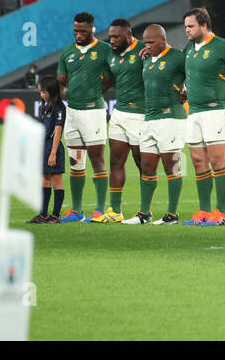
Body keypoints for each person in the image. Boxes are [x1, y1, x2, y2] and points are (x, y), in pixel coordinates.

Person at [123, 24, 188, 225]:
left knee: (171, 165)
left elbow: (195, 74)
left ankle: (172, 214)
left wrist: (187, 89)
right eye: (145, 42)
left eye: (151, 42)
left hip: (171, 118)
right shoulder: (147, 60)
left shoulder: (178, 57)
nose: (147, 45)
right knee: (147, 166)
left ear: (162, 40)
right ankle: (144, 214)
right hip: (149, 119)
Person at [55, 12, 110, 222]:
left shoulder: (104, 50)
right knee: (76, 161)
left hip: (93, 111)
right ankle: (77, 210)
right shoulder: (67, 52)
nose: (78, 34)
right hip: (73, 112)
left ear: (92, 29)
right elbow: (61, 81)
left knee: (97, 159)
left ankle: (100, 209)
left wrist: (95, 92)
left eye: (83, 31)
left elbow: (111, 77)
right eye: (76, 30)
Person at [180, 7, 225, 225]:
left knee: (217, 160)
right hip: (194, 112)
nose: (187, 31)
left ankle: (221, 213)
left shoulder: (222, 46)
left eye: (190, 26)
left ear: (203, 25)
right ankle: (204, 211)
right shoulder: (189, 49)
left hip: (216, 110)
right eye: (185, 27)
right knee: (199, 161)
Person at [100, 18, 144, 222]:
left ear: (128, 35)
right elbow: (107, 80)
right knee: (116, 161)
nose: (112, 40)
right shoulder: (112, 54)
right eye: (110, 37)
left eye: (116, 36)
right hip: (119, 114)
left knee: (142, 163)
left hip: (141, 115)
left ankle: (145, 211)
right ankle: (115, 211)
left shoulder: (145, 50)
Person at [29, 74, 67, 223]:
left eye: (44, 91)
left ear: (51, 90)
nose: (42, 94)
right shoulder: (46, 106)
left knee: (57, 182)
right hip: (44, 145)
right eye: (40, 92)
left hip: (53, 146)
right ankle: (43, 214)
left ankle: (56, 215)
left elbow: (58, 131)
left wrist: (53, 153)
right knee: (44, 181)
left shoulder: (59, 107)